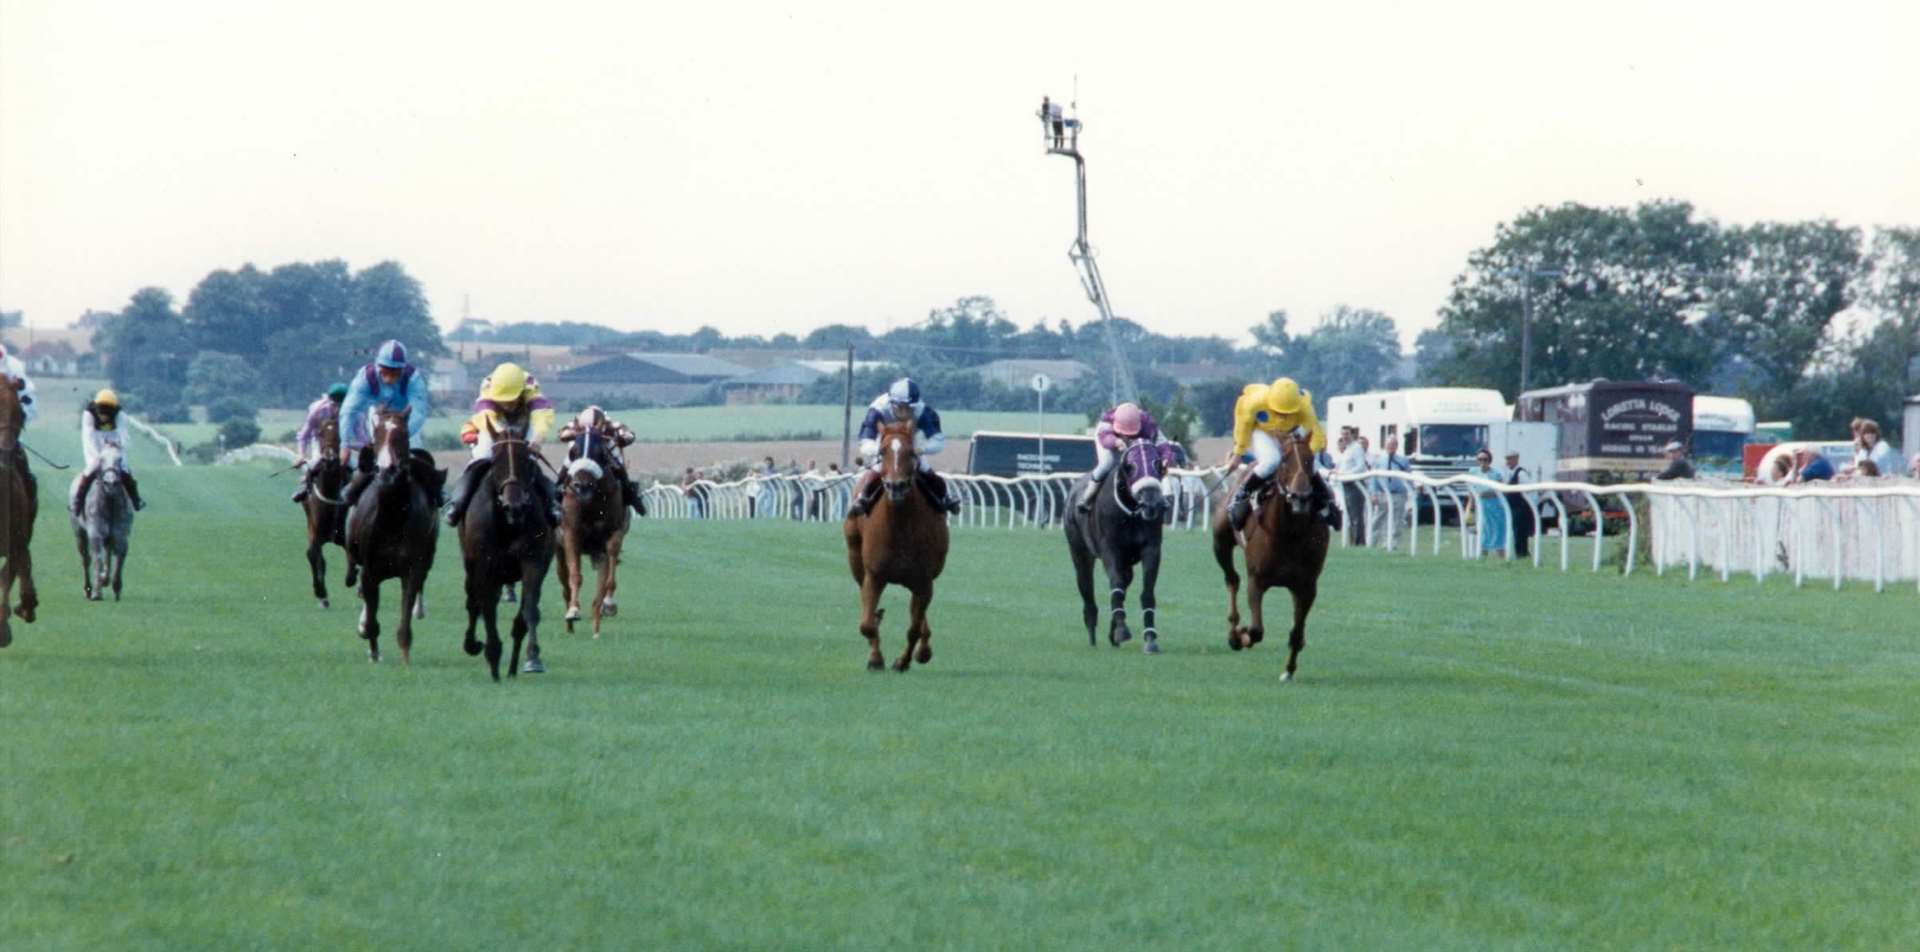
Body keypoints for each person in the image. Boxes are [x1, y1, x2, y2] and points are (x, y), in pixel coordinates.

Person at [445, 362, 560, 527]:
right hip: (494, 422)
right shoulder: (488, 386)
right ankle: (457, 504)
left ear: (521, 392)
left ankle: (552, 507)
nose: (507, 405)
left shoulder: (530, 385)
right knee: (482, 456)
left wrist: (536, 440)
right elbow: (486, 416)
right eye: (503, 401)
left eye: (511, 400)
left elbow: (541, 416)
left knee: (529, 460)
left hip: (524, 422)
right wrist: (501, 437)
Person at [1225, 377, 1339, 531]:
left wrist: (1305, 457)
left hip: (1291, 431)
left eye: (1287, 413)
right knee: (1272, 460)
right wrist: (1237, 455)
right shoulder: (1253, 403)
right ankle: (1243, 493)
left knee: (1305, 464)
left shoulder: (1304, 407)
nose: (1283, 416)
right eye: (1278, 412)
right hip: (1262, 431)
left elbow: (1317, 436)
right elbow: (1242, 428)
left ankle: (1326, 502)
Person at [338, 339, 435, 513]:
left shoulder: (413, 378)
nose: (390, 375)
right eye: (386, 370)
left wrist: (401, 434)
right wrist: (344, 444)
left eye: (395, 371)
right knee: (373, 455)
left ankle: (436, 494)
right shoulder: (365, 377)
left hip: (405, 420)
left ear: (402, 368)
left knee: (415, 453)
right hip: (377, 417)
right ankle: (352, 490)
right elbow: (349, 411)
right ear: (378, 365)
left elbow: (419, 412)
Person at [846, 378, 962, 516]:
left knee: (924, 467)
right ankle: (862, 498)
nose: (907, 412)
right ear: (893, 404)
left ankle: (945, 497)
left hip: (910, 441)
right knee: (877, 468)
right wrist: (880, 451)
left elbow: (938, 441)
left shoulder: (923, 411)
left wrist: (921, 449)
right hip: (884, 441)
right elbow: (865, 441)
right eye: (902, 407)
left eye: (910, 408)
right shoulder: (877, 410)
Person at [1078, 401, 1172, 512]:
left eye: (1131, 434)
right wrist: (1116, 441)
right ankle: (1087, 498)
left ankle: (1164, 496)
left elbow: (1163, 445)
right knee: (1108, 462)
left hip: (1137, 440)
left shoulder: (1148, 425)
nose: (1128, 437)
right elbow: (1105, 439)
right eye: (1125, 434)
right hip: (1109, 439)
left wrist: (1166, 459)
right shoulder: (1107, 423)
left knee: (1158, 465)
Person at [556, 405, 647, 515]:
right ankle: (556, 496)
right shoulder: (575, 423)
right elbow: (561, 434)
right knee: (564, 468)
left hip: (604, 449)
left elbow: (630, 435)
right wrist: (573, 434)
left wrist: (622, 438)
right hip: (580, 450)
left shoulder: (611, 424)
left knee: (619, 467)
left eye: (594, 425)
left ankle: (632, 497)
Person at [70, 388, 146, 513]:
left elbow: (124, 436)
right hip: (95, 443)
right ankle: (77, 502)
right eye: (101, 413)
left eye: (107, 413)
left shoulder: (120, 415)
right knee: (90, 470)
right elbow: (88, 437)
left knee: (124, 469)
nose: (103, 416)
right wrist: (98, 457)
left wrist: (119, 446)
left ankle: (135, 499)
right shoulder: (89, 414)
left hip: (114, 443)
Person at [290, 383, 349, 503]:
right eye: (335, 404)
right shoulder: (318, 410)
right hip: (320, 440)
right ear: (330, 400)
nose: (337, 408)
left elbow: (359, 434)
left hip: (343, 441)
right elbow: (304, 435)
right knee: (316, 462)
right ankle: (305, 486)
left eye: (341, 405)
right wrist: (301, 455)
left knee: (354, 464)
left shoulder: (352, 410)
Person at [1369, 434, 1413, 547]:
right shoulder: (1378, 460)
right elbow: (1373, 478)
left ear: (1396, 446)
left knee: (1396, 520)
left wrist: (1410, 492)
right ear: (1385, 445)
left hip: (1398, 495)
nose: (1390, 447)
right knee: (1378, 518)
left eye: (1393, 444)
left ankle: (1392, 544)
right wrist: (1373, 494)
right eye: (1389, 444)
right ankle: (1372, 541)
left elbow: (1409, 477)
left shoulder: (1403, 461)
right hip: (1382, 494)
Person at [1470, 448, 1508, 558]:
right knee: (1483, 532)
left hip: (1495, 507)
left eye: (1485, 459)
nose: (1482, 462)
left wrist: (1488, 494)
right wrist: (1470, 505)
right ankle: (1482, 559)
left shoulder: (1496, 474)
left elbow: (1502, 490)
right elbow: (1471, 491)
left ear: (1489, 460)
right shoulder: (1473, 472)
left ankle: (1502, 558)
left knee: (1497, 532)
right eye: (1480, 459)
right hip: (1480, 506)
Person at [1335, 431, 1370, 545]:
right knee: (1350, 516)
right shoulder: (1347, 450)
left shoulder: (1357, 448)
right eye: (1343, 434)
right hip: (1346, 484)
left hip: (1355, 485)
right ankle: (1353, 542)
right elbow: (1343, 467)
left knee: (1356, 516)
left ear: (1353, 435)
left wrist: (1346, 475)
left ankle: (1359, 542)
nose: (1344, 437)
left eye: (1347, 434)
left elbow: (1361, 466)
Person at [1500, 449, 1534, 559]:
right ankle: (1519, 554)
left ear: (1516, 459)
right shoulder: (1510, 473)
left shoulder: (1521, 473)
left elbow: (1529, 488)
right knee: (1515, 532)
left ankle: (1522, 554)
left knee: (1520, 533)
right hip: (1513, 507)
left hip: (1521, 508)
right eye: (1507, 459)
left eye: (1510, 459)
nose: (1507, 462)